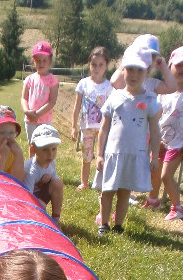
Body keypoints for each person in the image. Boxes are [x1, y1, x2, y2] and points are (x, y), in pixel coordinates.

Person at [93, 47, 161, 235]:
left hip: (134, 155)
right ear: (123, 70)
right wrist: (99, 154)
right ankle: (104, 224)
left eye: (139, 70)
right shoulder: (115, 97)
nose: (134, 74)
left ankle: (118, 225)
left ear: (147, 72)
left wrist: (155, 156)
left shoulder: (150, 100)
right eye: (130, 69)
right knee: (107, 190)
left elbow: (155, 131)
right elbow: (104, 127)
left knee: (124, 192)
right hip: (113, 154)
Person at [146, 46, 183, 221]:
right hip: (161, 140)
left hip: (178, 143)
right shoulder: (164, 91)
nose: (182, 69)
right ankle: (153, 200)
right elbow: (157, 115)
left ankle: (177, 207)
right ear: (170, 67)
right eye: (178, 65)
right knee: (154, 170)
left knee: (166, 175)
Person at [71, 47, 113, 190]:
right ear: (89, 64)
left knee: (103, 154)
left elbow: (110, 110)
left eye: (101, 65)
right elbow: (77, 106)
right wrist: (74, 126)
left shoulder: (109, 87)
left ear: (106, 65)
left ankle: (100, 182)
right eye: (94, 64)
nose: (97, 68)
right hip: (86, 127)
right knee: (87, 156)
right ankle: (84, 182)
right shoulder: (83, 84)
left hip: (102, 128)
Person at [21, 41, 59, 154]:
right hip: (30, 121)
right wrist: (27, 111)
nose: (41, 63)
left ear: (50, 61)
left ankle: (44, 165)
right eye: (38, 61)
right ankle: (32, 165)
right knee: (33, 146)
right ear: (34, 61)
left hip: (45, 121)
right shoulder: (29, 79)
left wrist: (37, 114)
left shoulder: (52, 81)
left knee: (45, 148)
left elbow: (52, 101)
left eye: (44, 60)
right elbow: (24, 98)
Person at [110, 34, 176, 96]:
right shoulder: (127, 78)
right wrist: (127, 61)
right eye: (141, 54)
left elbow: (172, 87)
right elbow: (115, 82)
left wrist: (164, 68)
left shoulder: (152, 83)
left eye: (152, 56)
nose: (148, 58)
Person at [24, 124, 63, 227]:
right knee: (40, 205)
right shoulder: (30, 170)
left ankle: (55, 221)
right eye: (45, 150)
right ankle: (39, 222)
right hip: (30, 199)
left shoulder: (51, 162)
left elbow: (55, 181)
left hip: (41, 194)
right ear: (33, 149)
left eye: (53, 149)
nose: (50, 154)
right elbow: (27, 196)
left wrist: (46, 182)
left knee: (58, 184)